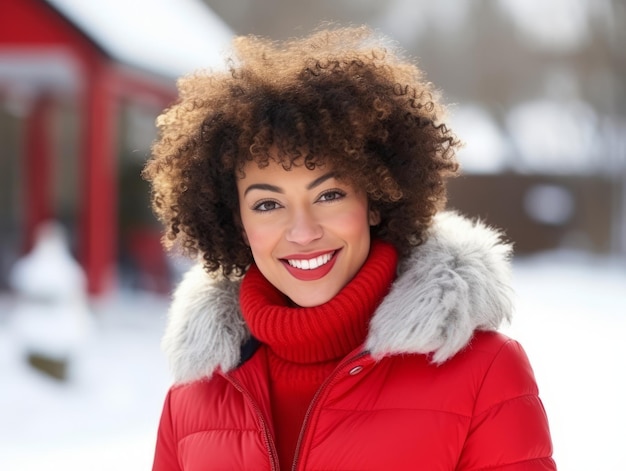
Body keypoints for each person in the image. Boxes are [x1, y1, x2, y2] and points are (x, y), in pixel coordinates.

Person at [144, 25, 556, 470]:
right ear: (238, 223)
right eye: (267, 204)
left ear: (374, 202)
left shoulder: (483, 371)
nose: (302, 231)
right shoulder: (194, 392)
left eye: (329, 195)